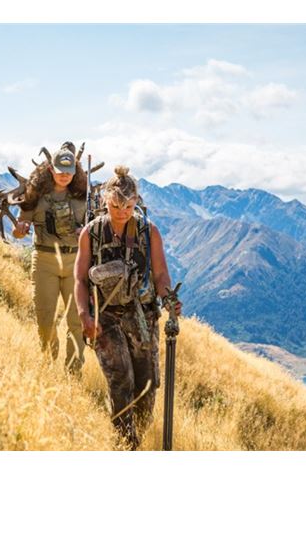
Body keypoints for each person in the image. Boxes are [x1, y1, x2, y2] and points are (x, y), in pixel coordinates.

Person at [74, 166, 182, 449]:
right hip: (106, 317)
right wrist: (84, 316)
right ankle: (124, 445)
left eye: (128, 207)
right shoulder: (91, 233)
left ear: (136, 203)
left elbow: (160, 275)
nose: (121, 212)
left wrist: (169, 299)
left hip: (142, 317)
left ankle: (138, 437)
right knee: (121, 380)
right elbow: (80, 279)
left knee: (146, 386)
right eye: (114, 206)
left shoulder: (149, 232)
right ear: (104, 202)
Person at [12, 142, 87, 374]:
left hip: (75, 262)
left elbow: (95, 231)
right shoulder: (34, 195)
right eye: (60, 170)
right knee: (45, 319)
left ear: (75, 171)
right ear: (51, 169)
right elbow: (18, 229)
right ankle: (48, 365)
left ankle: (73, 373)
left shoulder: (84, 197)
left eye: (69, 171)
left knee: (77, 321)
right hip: (45, 261)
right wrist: (20, 230)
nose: (64, 175)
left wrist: (84, 233)